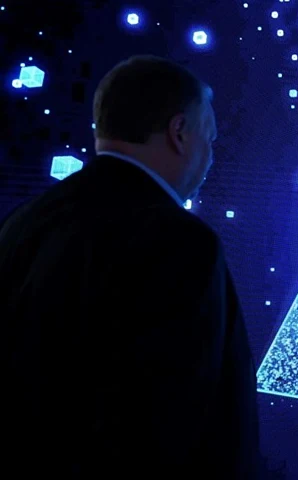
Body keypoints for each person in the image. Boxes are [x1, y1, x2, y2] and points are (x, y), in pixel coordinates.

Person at [0, 56, 261, 478]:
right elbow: (174, 422)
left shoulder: (22, 221)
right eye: (209, 139)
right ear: (179, 133)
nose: (211, 158)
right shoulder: (181, 241)